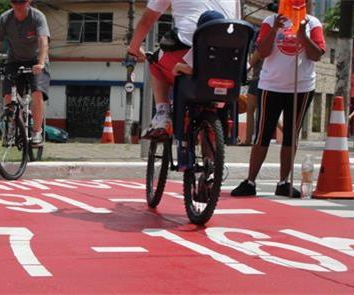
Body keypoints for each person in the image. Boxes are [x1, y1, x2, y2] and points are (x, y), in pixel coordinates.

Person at [231, 2, 326, 198]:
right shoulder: (270, 21)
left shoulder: (312, 23)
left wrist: (303, 36)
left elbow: (316, 54)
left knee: (291, 134)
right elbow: (263, 51)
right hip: (271, 86)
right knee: (263, 134)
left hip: (301, 87)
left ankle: (283, 182)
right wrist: (274, 29)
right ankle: (250, 181)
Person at [127, 0, 240, 140]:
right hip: (229, 59)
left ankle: (163, 114)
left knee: (154, 62)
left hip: (185, 49)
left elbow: (147, 20)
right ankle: (211, 160)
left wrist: (133, 49)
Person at [0, 0, 50, 147]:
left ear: (28, 2)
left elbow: (43, 41)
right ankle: (14, 125)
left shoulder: (37, 17)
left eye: (22, 1)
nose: (18, 5)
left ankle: (37, 132)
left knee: (37, 92)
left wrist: (41, 63)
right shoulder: (5, 18)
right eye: (14, 1)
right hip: (14, 60)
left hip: (37, 59)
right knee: (8, 95)